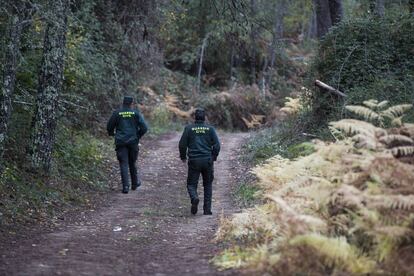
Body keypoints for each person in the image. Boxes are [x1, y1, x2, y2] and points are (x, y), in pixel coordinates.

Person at [179, 108, 220, 215]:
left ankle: (194, 198)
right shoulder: (210, 129)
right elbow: (217, 145)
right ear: (204, 117)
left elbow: (182, 145)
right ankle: (207, 210)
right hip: (207, 161)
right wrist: (214, 156)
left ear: (194, 117)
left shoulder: (188, 129)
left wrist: (183, 156)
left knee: (191, 184)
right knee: (208, 184)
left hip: (194, 161)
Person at [107, 96, 148, 194]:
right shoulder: (136, 113)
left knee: (123, 163)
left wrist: (112, 134)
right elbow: (144, 127)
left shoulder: (117, 113)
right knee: (132, 162)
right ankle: (134, 183)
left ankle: (125, 187)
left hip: (121, 142)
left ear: (123, 102)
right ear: (132, 103)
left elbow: (109, 126)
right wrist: (138, 135)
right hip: (133, 141)